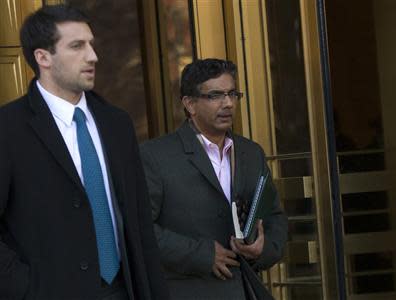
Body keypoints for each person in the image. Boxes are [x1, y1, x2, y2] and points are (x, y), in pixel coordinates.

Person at [0, 5, 169, 300]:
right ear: (43, 57)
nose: (93, 56)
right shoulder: (7, 128)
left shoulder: (117, 123)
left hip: (122, 290)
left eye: (91, 44)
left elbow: (140, 222)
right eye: (77, 46)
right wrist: (25, 289)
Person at [140, 58, 288, 299]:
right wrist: (202, 255)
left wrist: (262, 249)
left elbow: (275, 218)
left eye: (232, 94)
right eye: (215, 96)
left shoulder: (252, 153)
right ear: (190, 104)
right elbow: (141, 228)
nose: (228, 103)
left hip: (245, 290)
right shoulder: (155, 156)